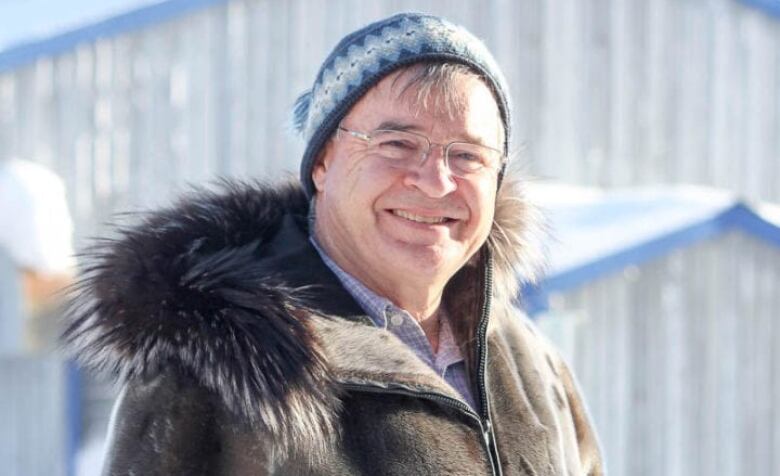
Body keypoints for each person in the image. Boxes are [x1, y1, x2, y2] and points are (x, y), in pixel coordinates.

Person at [64, 12, 603, 475]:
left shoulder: (526, 356)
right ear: (322, 161)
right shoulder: (225, 366)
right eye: (397, 144)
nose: (436, 181)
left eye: (468, 155)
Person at [0, 157, 75, 355]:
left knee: (46, 350)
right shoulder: (25, 175)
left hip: (41, 273)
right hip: (57, 268)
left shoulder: (10, 181)